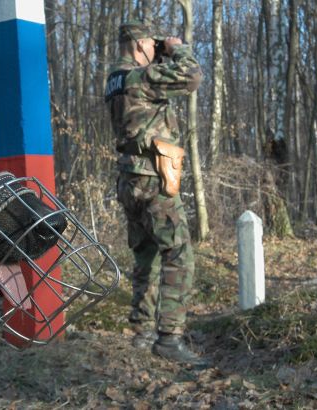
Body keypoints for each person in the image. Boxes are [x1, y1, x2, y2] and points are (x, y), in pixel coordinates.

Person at [104, 20, 205, 365]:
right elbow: (191, 76)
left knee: (146, 254)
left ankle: (143, 331)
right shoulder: (141, 78)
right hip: (152, 178)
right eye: (151, 46)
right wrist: (177, 48)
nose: (154, 52)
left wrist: (158, 56)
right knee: (179, 254)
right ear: (138, 44)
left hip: (128, 179)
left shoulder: (115, 80)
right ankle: (169, 338)